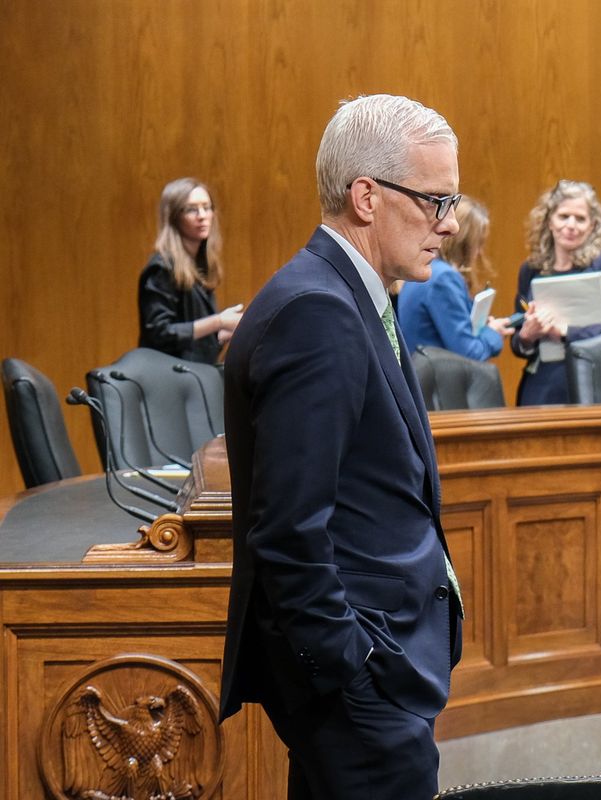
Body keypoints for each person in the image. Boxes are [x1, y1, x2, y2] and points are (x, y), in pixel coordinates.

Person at [219, 94, 464, 800]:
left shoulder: (356, 296)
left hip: (375, 674)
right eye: (433, 201)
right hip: (362, 685)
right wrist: (349, 665)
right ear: (367, 196)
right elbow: (290, 530)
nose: (446, 225)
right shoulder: (317, 312)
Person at [511, 180, 601, 405]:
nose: (571, 225)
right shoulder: (531, 269)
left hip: (592, 379)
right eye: (563, 216)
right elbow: (518, 343)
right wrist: (527, 336)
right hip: (541, 382)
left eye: (581, 218)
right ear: (549, 221)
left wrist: (564, 332)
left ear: (593, 225)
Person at [137, 177, 242, 363]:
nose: (202, 215)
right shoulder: (162, 269)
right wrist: (218, 322)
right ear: (174, 216)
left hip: (192, 376)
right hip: (169, 381)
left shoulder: (199, 265)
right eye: (192, 209)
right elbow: (159, 333)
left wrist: (219, 335)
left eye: (207, 207)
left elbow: (190, 335)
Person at [396, 194, 513, 360]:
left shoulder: (425, 270)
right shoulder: (444, 278)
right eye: (478, 243)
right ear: (464, 241)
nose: (479, 252)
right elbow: (470, 353)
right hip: (438, 382)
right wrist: (492, 334)